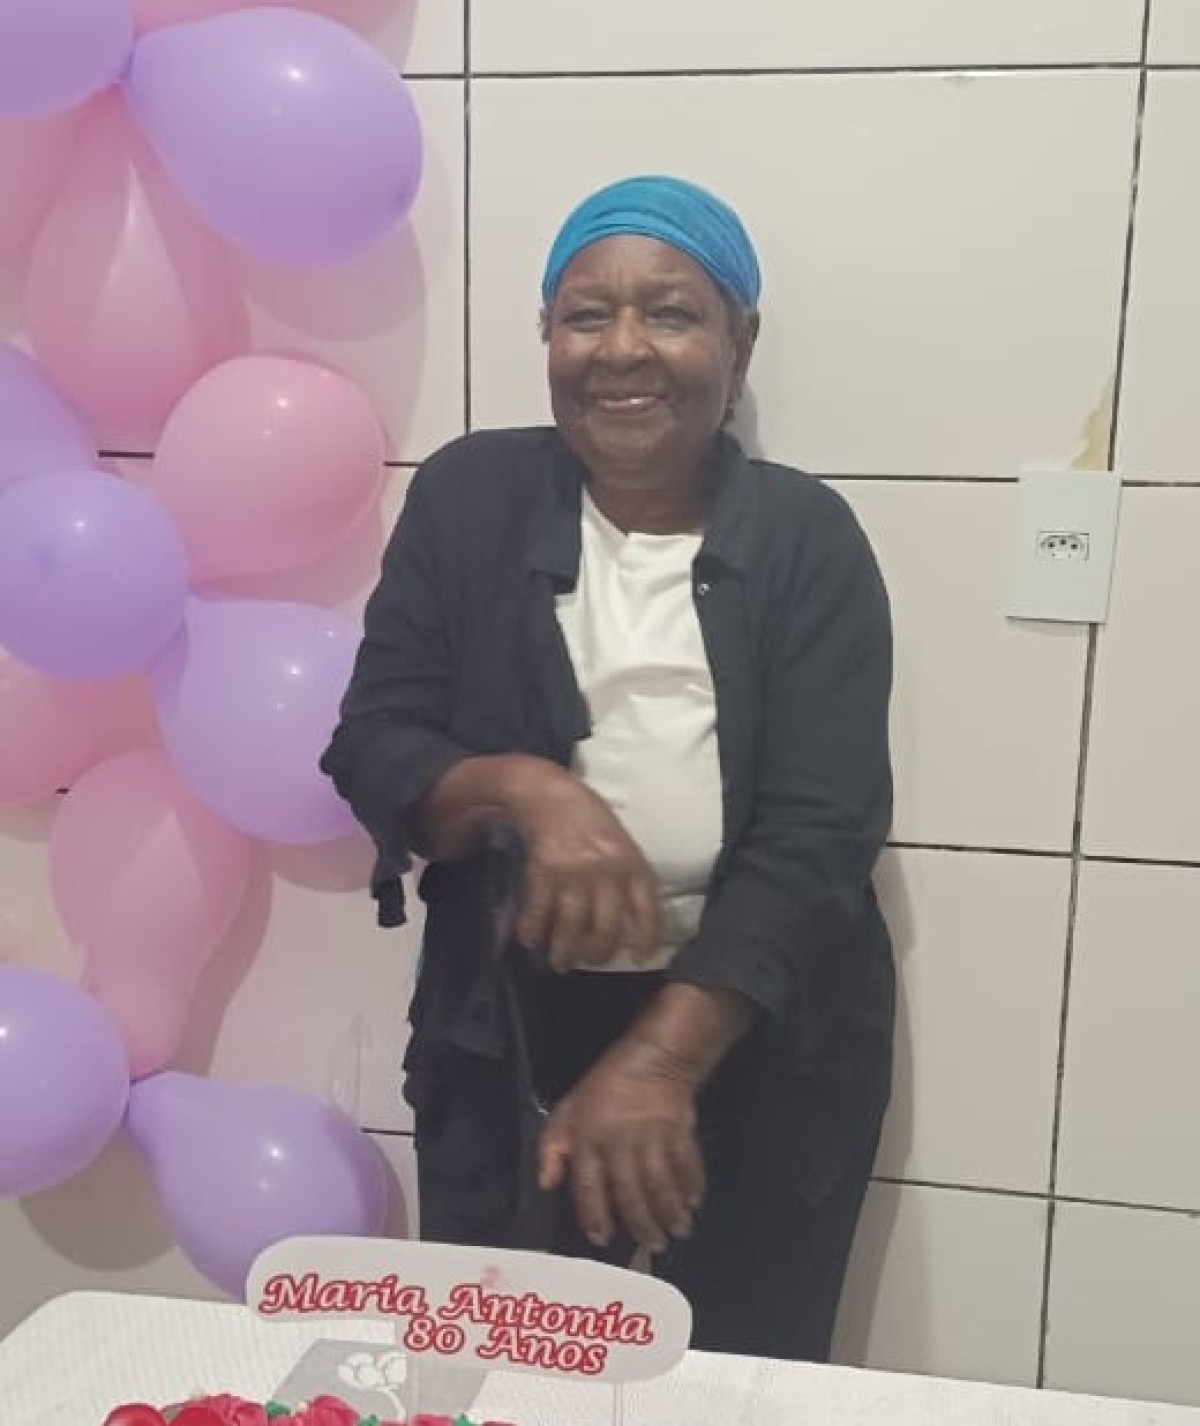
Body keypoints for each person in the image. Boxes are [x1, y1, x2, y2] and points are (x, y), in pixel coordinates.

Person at [321, 175, 894, 1362]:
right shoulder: (469, 498)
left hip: (758, 1035)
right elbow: (375, 738)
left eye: (671, 313)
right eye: (587, 314)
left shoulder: (809, 538)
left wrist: (662, 1060)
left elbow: (819, 838)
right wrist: (525, 790)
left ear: (739, 343)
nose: (623, 348)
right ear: (548, 335)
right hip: (510, 1034)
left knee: (736, 1375)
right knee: (506, 1367)